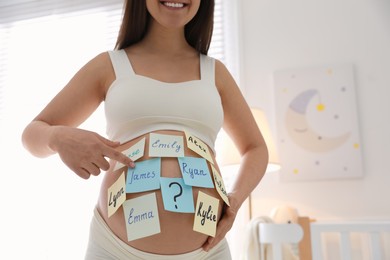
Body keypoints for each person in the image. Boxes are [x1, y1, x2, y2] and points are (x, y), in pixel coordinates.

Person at [22, 0, 269, 259]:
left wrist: (236, 201)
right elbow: (32, 133)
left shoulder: (215, 73)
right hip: (114, 249)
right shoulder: (109, 65)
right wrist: (58, 137)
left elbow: (256, 148)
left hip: (207, 252)